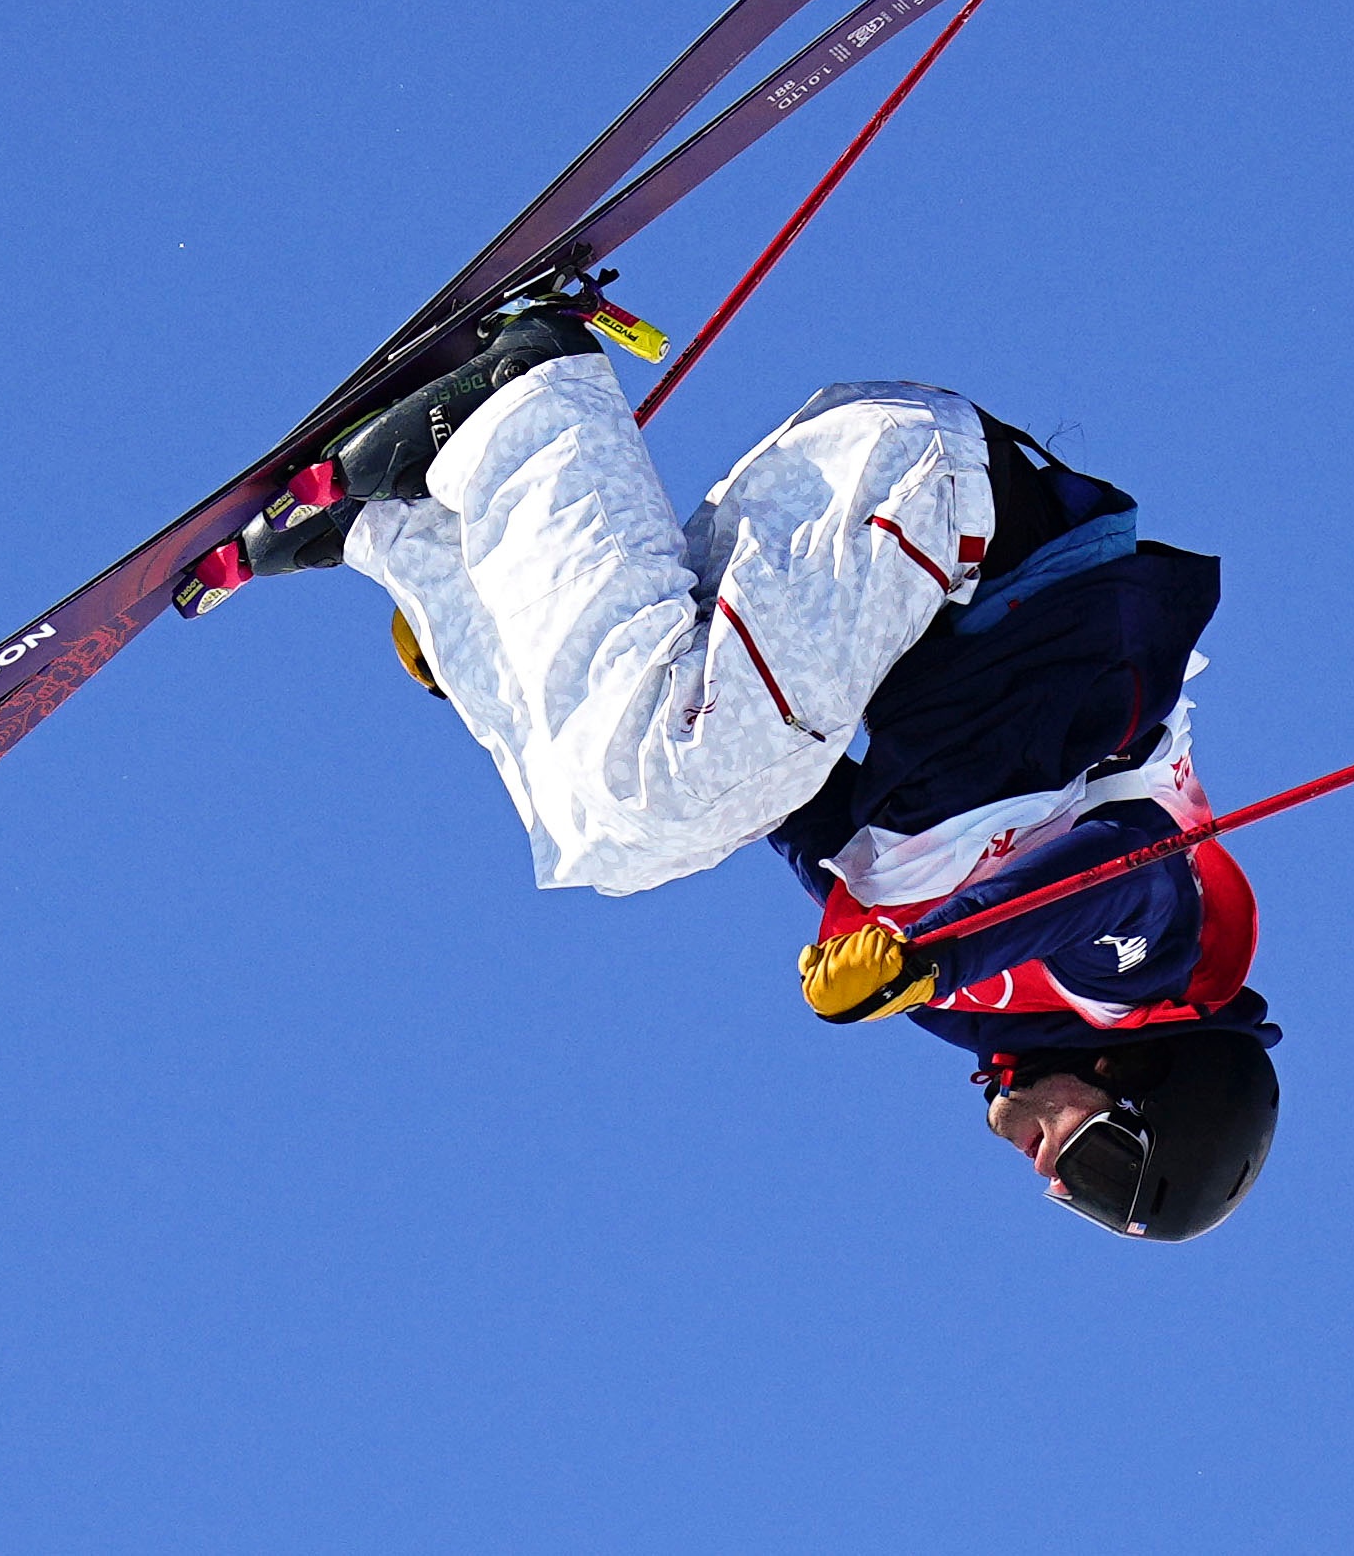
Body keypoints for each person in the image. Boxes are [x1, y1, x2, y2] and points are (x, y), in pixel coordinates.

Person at [197, 298, 1280, 1240]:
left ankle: (417, 523)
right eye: (1093, 1165)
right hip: (944, 520)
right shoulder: (1151, 964)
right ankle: (519, 395)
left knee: (614, 829)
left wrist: (514, 657)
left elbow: (795, 798)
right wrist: (929, 958)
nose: (1045, 1170)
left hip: (860, 569)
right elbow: (1103, 875)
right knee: (664, 796)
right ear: (1141, 1085)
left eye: (1070, 1198)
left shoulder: (973, 1006)